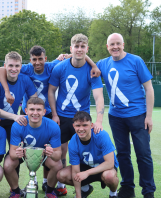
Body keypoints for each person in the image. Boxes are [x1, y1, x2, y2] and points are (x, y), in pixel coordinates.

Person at [0, 45, 101, 195]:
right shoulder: (26, 68)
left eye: (40, 59)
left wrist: (93, 64)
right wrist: (7, 90)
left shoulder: (52, 66)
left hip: (47, 112)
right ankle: (17, 186)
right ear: (30, 60)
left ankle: (48, 183)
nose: (37, 62)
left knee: (49, 149)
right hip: (29, 112)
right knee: (23, 148)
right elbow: (1, 70)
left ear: (45, 59)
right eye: (34, 59)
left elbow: (77, 55)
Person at [97, 33, 156, 198]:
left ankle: (148, 191)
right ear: (107, 47)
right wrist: (66, 56)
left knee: (143, 154)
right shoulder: (103, 63)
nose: (115, 47)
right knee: (122, 154)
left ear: (123, 44)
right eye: (111, 44)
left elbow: (149, 89)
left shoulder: (136, 61)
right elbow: (88, 66)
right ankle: (128, 188)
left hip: (138, 116)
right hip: (116, 117)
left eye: (118, 44)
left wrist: (149, 116)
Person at [48, 33, 105, 195]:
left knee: (82, 151)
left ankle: (84, 185)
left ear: (87, 49)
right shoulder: (60, 67)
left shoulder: (92, 71)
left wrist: (99, 120)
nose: (79, 49)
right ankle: (59, 185)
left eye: (82, 46)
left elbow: (99, 96)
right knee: (60, 151)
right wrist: (54, 114)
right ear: (71, 48)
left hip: (82, 118)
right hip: (62, 116)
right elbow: (51, 91)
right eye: (76, 46)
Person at [3, 97, 63, 198]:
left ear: (44, 112)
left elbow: (57, 155)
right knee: (8, 164)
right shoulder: (18, 125)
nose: (35, 113)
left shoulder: (53, 126)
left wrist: (51, 152)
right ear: (26, 111)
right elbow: (13, 153)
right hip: (24, 154)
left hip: (43, 154)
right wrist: (17, 153)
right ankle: (16, 191)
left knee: (58, 165)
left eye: (39, 110)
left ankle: (49, 191)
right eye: (32, 109)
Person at [57, 111, 119, 198]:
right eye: (78, 125)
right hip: (85, 166)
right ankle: (85, 189)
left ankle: (113, 194)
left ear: (91, 125)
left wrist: (87, 173)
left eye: (85, 125)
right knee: (61, 175)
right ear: (73, 126)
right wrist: (78, 196)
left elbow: (110, 163)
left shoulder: (101, 135)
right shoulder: (73, 142)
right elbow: (75, 171)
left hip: (104, 168)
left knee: (109, 176)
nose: (81, 129)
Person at [0, 51, 37, 144]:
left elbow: (35, 100)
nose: (14, 69)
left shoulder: (25, 79)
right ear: (5, 66)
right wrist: (15, 116)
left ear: (21, 66)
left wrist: (31, 114)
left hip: (11, 119)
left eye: (17, 66)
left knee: (18, 150)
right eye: (10, 65)